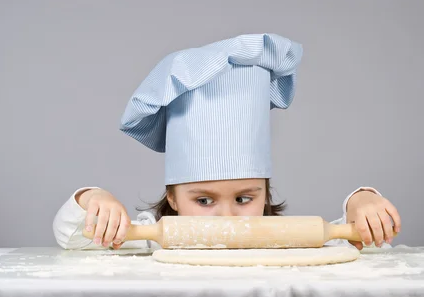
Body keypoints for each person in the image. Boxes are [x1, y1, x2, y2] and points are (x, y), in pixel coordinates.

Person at [53, 33, 401, 252]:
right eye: (203, 199)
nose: (227, 217)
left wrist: (362, 203)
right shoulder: (149, 237)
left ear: (265, 192)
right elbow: (73, 238)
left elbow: (352, 239)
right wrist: (94, 200)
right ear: (172, 196)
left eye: (245, 198)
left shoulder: (281, 238)